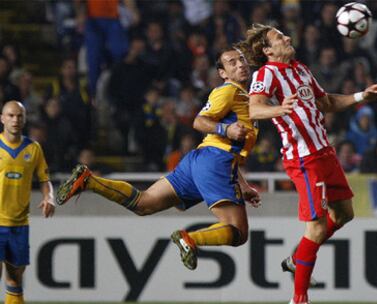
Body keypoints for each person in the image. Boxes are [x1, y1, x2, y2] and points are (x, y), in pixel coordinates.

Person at [56, 47, 262, 271]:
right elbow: (199, 121)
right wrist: (227, 129)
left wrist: (243, 185)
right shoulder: (229, 91)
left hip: (201, 160)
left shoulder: (245, 98)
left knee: (144, 204)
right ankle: (190, 240)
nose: (240, 64)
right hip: (213, 162)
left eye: (241, 59)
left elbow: (225, 146)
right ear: (222, 73)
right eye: (232, 62)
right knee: (238, 232)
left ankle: (90, 181)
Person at [237, 24, 377, 304]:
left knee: (344, 214)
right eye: (279, 37)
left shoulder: (300, 68)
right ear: (268, 50)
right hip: (303, 159)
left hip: (326, 152)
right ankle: (299, 299)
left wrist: (361, 96)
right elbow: (253, 107)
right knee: (315, 228)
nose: (288, 37)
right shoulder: (266, 73)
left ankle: (297, 257)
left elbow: (326, 102)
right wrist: (280, 109)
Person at [0, 100, 55, 303]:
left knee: (15, 280)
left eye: (19, 116)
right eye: (11, 115)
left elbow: (44, 179)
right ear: (2, 118)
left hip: (19, 224)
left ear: (24, 119)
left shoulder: (33, 149)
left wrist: (49, 197)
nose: (15, 119)